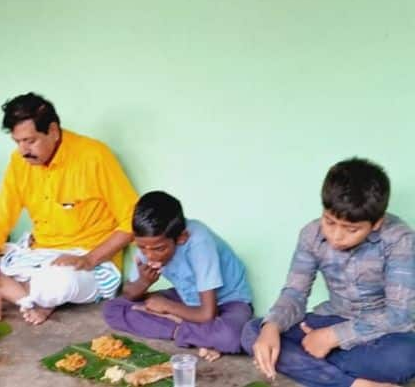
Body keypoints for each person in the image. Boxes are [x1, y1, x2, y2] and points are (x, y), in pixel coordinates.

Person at [0, 92, 138, 325]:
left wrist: (89, 259)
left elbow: (132, 222)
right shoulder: (19, 162)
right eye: (17, 142)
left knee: (59, 282)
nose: (24, 151)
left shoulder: (94, 156)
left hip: (86, 262)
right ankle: (30, 299)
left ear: (53, 131)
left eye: (30, 140)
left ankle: (21, 292)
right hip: (36, 256)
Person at [242, 158, 415, 387]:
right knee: (253, 332)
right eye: (330, 222)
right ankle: (356, 384)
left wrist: (333, 337)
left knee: (404, 358)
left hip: (382, 333)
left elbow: (399, 315)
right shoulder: (311, 234)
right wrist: (272, 327)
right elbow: (295, 292)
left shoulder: (399, 238)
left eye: (351, 229)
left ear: (376, 223)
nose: (336, 236)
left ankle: (314, 366)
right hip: (332, 315)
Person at [103, 191, 253, 362]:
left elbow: (207, 314)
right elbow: (129, 293)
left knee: (230, 337)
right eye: (142, 247)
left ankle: (177, 326)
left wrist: (168, 308)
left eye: (159, 249)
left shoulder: (199, 242)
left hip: (228, 302)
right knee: (113, 309)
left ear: (181, 238)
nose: (150, 255)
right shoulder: (149, 241)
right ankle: (199, 336)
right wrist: (143, 282)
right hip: (186, 297)